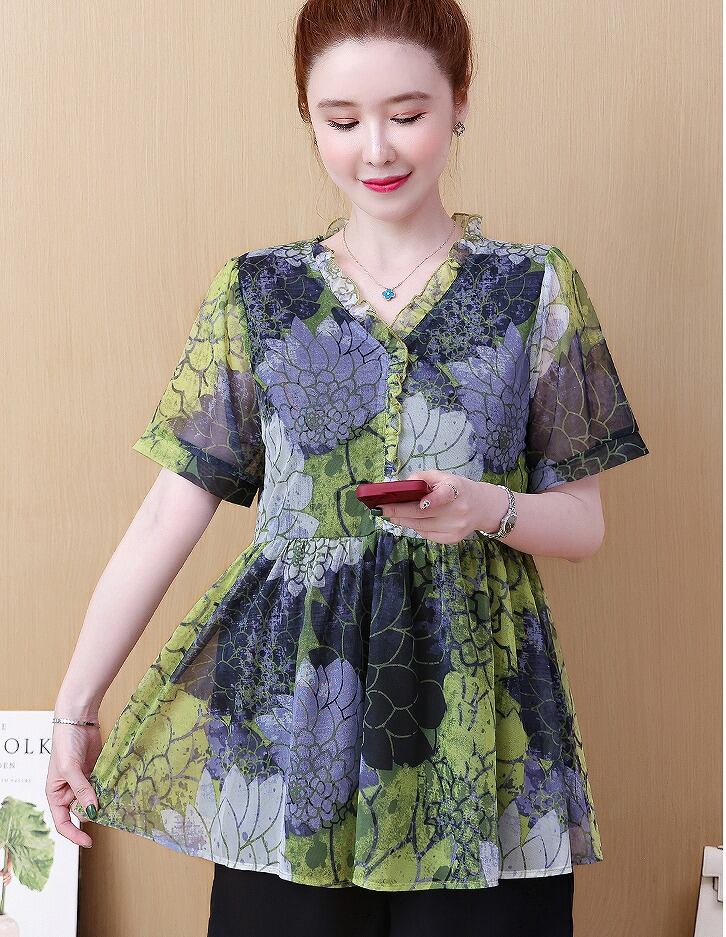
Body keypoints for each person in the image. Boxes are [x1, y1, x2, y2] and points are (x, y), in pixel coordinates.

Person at [45, 0, 650, 935]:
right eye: (341, 120)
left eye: (407, 114)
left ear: (460, 100)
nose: (376, 149)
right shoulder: (258, 293)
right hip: (295, 730)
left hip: (479, 729)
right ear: (308, 116)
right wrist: (75, 709)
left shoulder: (533, 287)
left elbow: (584, 522)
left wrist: (485, 506)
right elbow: (168, 514)